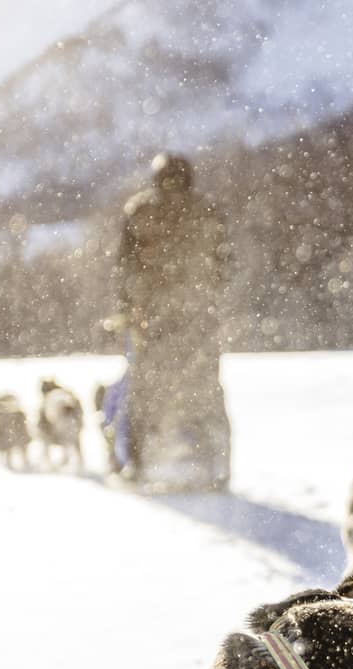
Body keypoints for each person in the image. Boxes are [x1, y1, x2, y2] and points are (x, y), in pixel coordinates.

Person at [110, 152, 232, 493]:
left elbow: (125, 268)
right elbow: (223, 265)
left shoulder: (140, 211)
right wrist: (209, 302)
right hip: (197, 320)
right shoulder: (208, 211)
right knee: (206, 391)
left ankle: (138, 464)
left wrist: (129, 310)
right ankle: (218, 465)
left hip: (153, 321)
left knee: (145, 393)